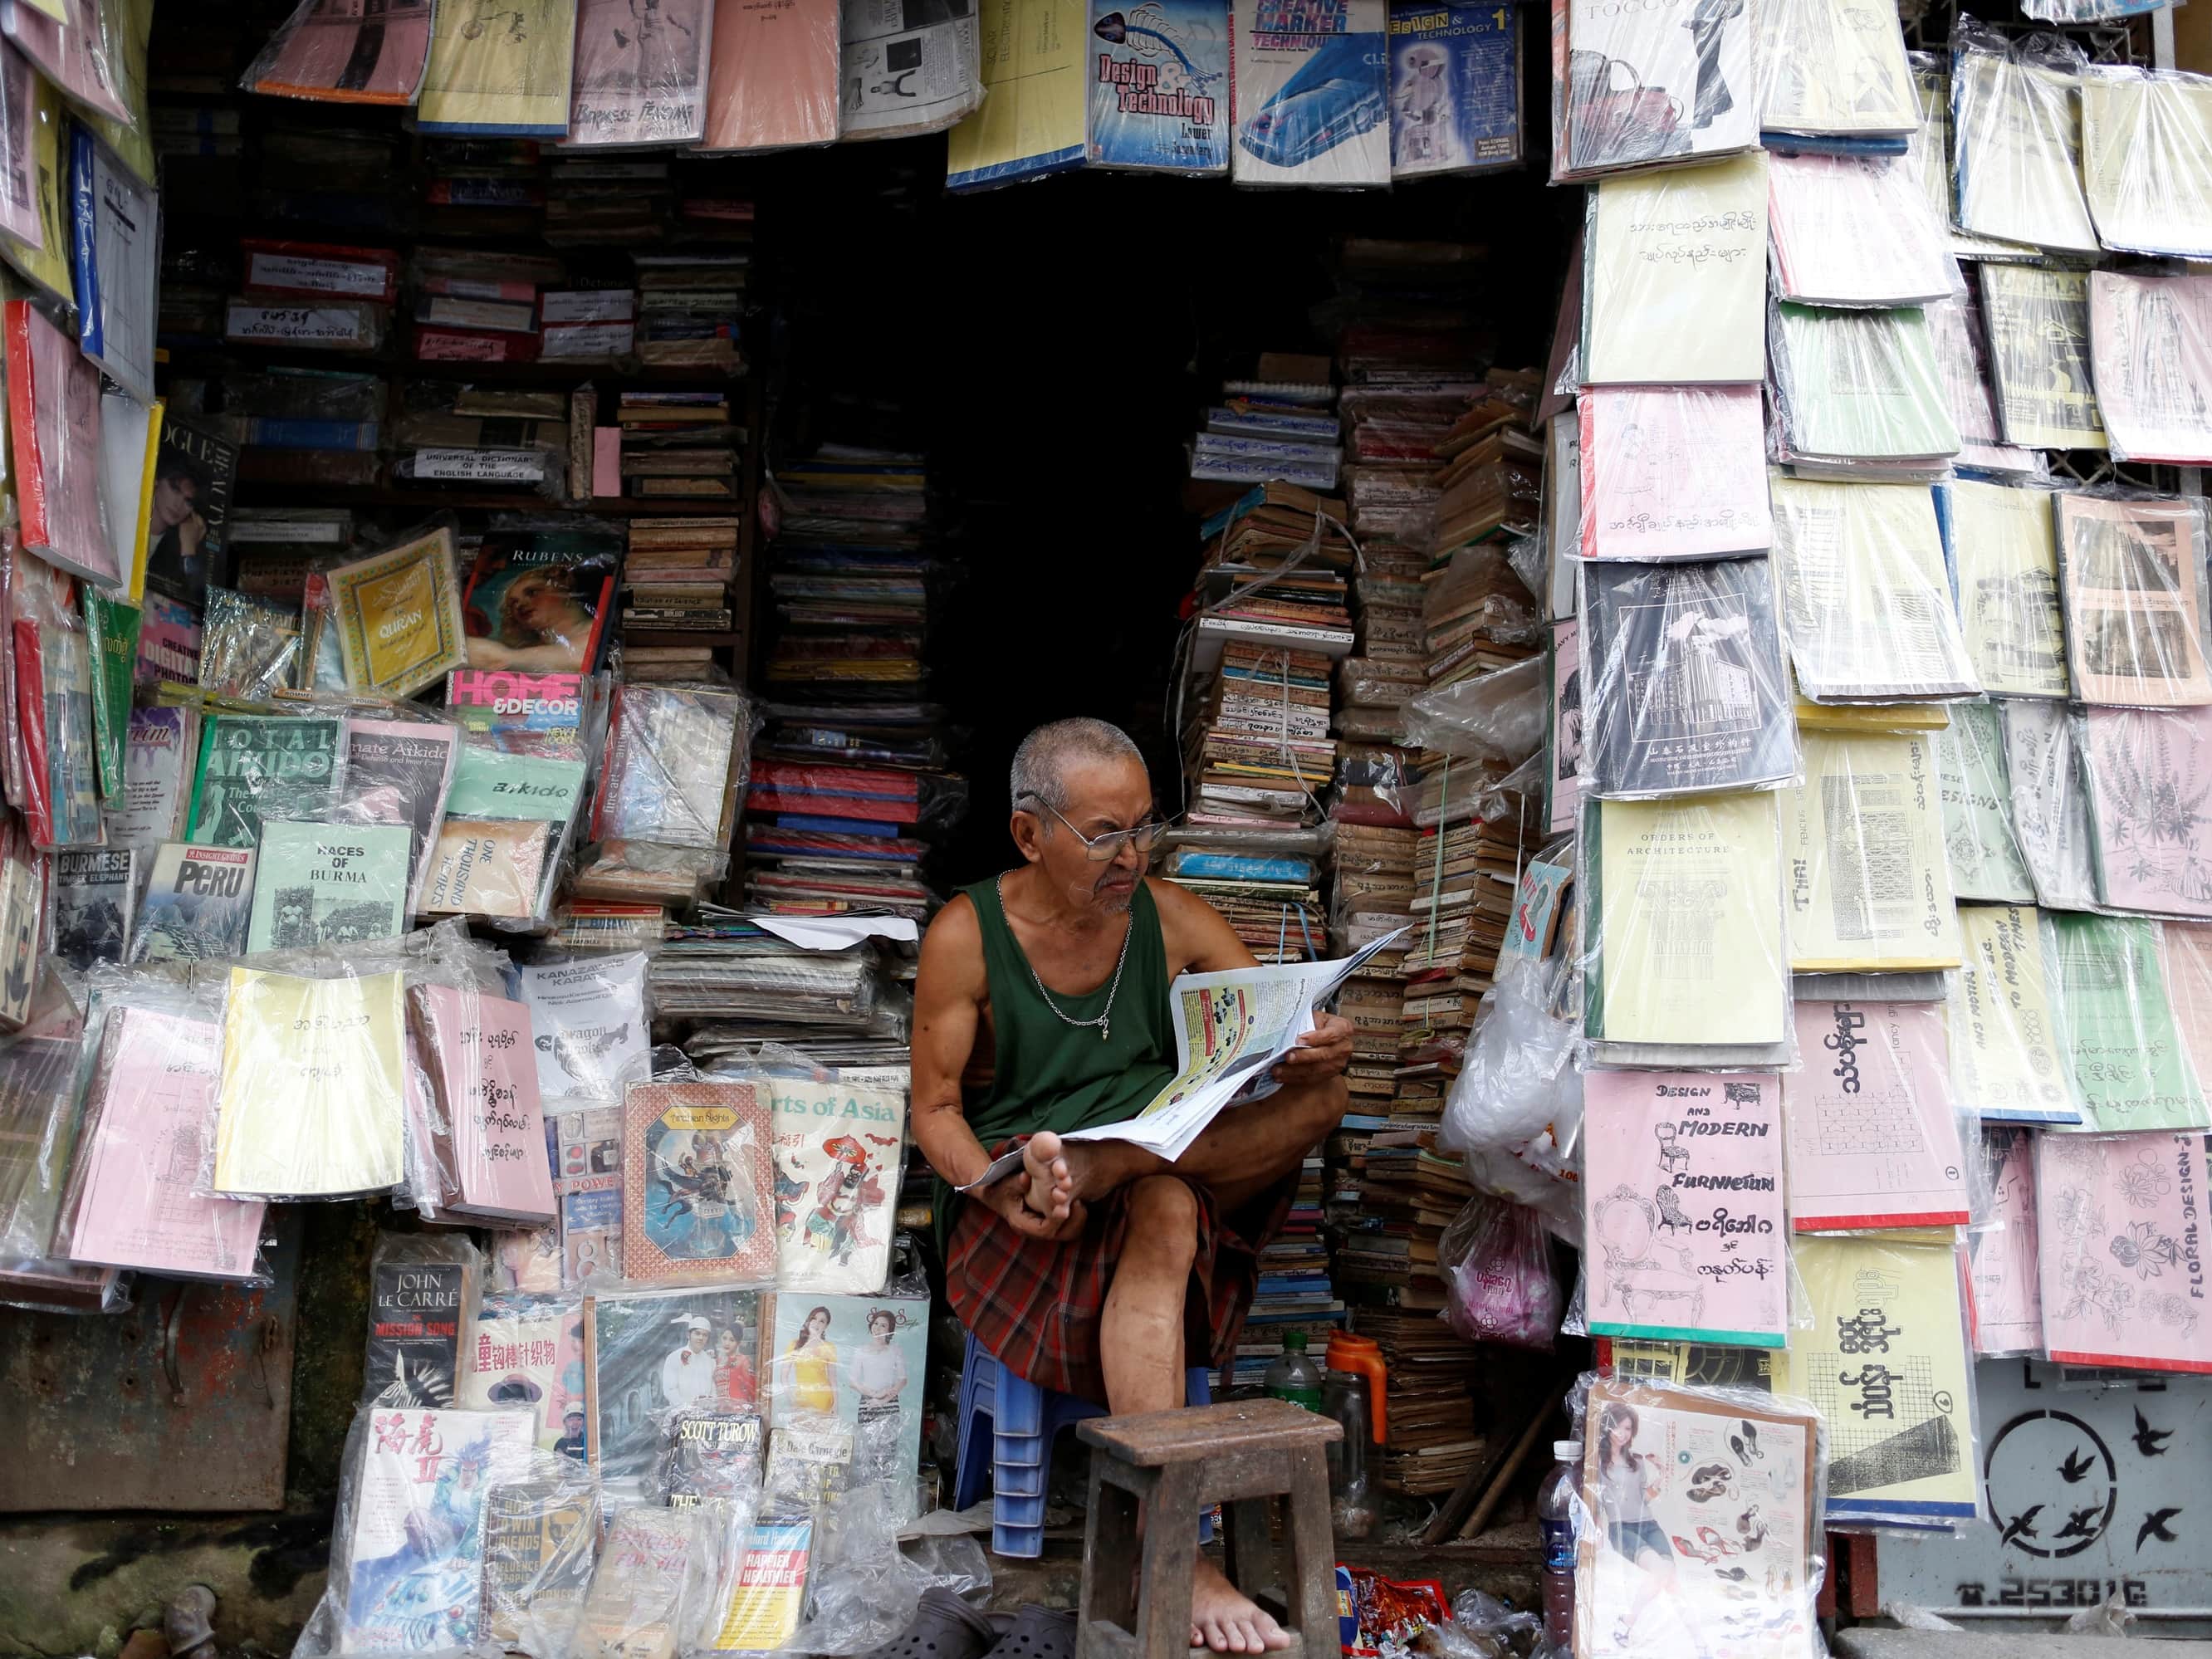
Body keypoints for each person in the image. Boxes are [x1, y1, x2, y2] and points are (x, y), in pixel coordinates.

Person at [912, 717, 1353, 1655]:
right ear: (1030, 835)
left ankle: (1177, 1544)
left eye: (1145, 826)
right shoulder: (969, 935)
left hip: (1148, 1152)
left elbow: (1275, 1042)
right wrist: (994, 1192)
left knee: (1315, 1108)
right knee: (1162, 1204)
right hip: (1030, 1182)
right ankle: (1184, 1558)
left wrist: (1313, 1048)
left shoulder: (1176, 917)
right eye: (1104, 833)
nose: (1132, 853)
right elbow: (936, 1112)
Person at [1595, 1402, 1679, 1647]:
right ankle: (1628, 1622)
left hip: (1649, 1524)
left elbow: (1644, 1499)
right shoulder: (1596, 1464)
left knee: (1670, 1572)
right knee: (1660, 1570)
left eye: (1628, 1428)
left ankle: (1633, 1622)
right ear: (1607, 1427)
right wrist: (1597, 1527)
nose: (1622, 1433)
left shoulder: (1638, 1462)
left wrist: (1662, 1474)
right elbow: (1596, 1499)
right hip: (1622, 1528)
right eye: (1617, 1427)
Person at [780, 1305, 839, 1416]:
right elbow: (784, 1377)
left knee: (821, 1432)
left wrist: (836, 1404)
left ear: (826, 1326)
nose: (817, 1323)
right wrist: (791, 1400)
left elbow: (833, 1379)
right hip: (801, 1401)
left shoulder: (829, 1347)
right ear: (809, 1320)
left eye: (822, 1321)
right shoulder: (794, 1345)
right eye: (814, 1319)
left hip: (824, 1400)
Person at [659, 1314, 717, 1411]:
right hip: (682, 1414)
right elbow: (670, 1390)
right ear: (688, 1335)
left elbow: (713, 1390)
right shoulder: (674, 1358)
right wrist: (686, 1409)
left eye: (705, 1335)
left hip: (705, 1414)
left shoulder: (709, 1361)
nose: (701, 1338)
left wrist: (711, 1406)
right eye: (697, 1333)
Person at [712, 1324, 756, 1407]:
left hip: (738, 1407)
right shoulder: (716, 1361)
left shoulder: (743, 1360)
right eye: (724, 1338)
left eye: (732, 1340)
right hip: (720, 1408)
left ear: (738, 1343)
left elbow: (752, 1387)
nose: (727, 1343)